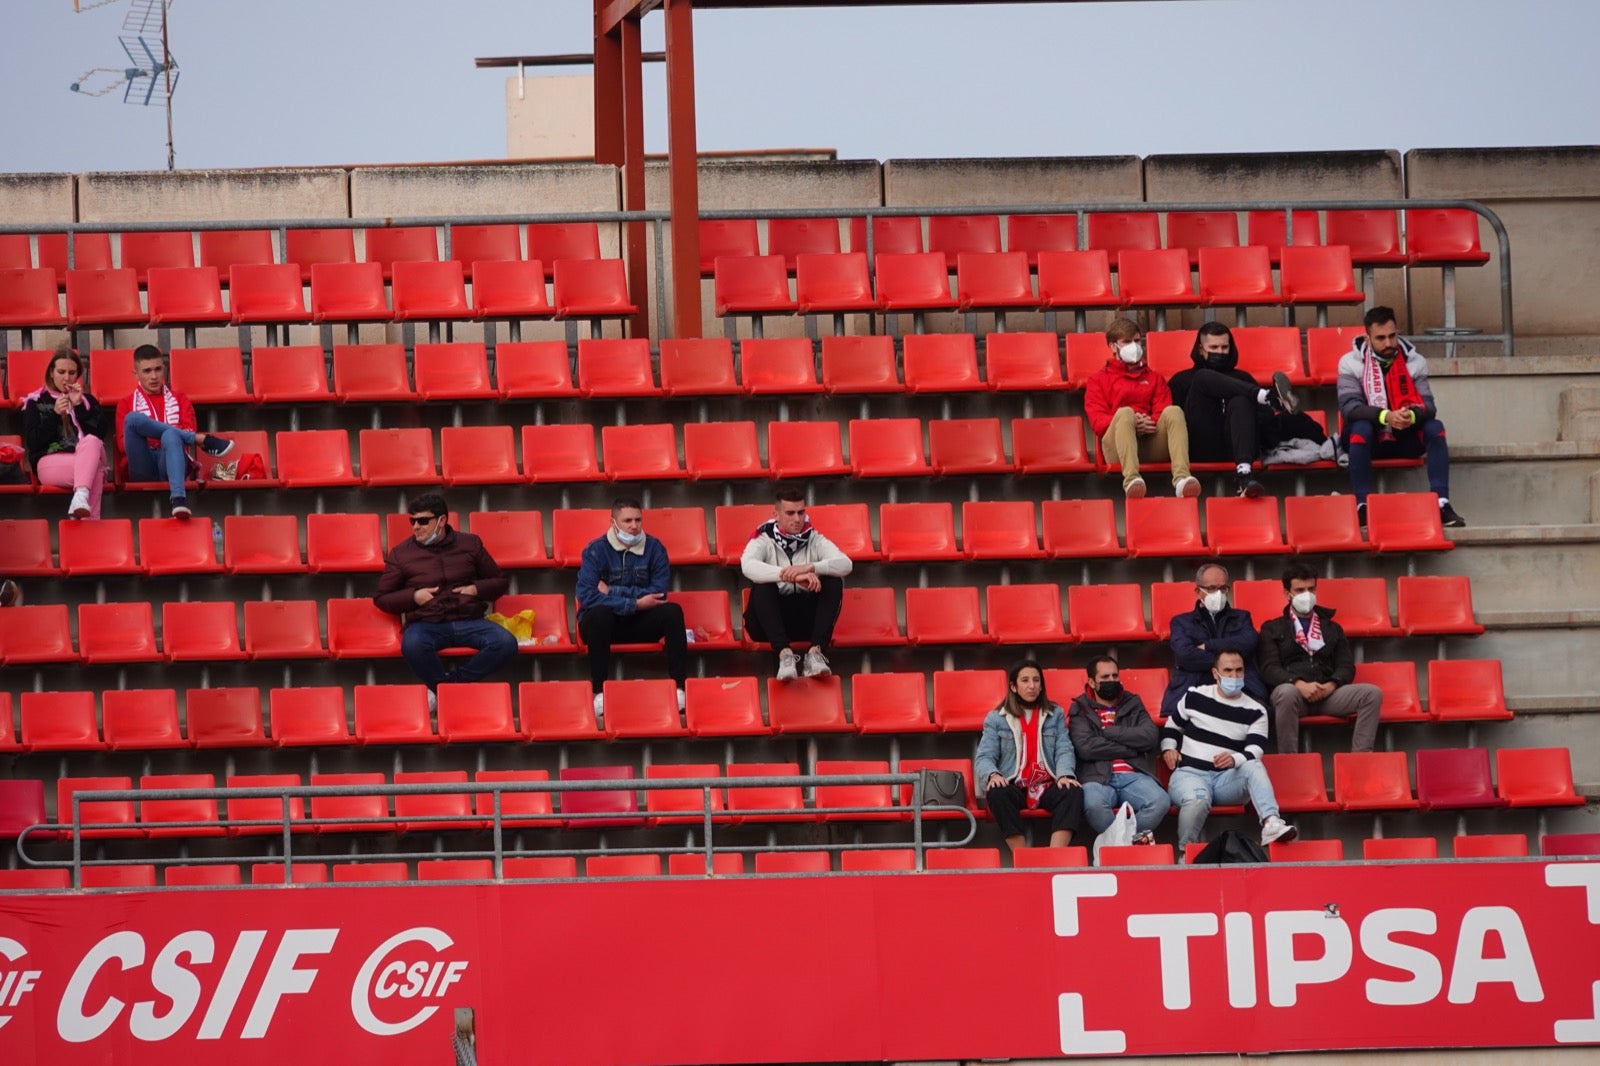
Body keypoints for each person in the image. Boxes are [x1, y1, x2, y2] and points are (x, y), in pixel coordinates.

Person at [373, 493, 517, 706]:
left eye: (423, 521)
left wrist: (476, 589)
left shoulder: (470, 544)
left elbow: (499, 582)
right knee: (412, 645)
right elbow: (382, 598)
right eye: (412, 521)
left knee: (506, 643)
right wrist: (413, 597)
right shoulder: (401, 553)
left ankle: (447, 690)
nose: (416, 527)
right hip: (427, 623)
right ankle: (449, 693)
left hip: (470, 620)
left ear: (442, 520)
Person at [1337, 305, 1464, 528]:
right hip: (1369, 440)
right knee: (1360, 427)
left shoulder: (1414, 361)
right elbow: (1350, 408)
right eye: (1381, 338)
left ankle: (1441, 503)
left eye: (1392, 336)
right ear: (1367, 339)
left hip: (1405, 436)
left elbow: (1428, 406)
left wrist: (1411, 416)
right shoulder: (1350, 363)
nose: (1388, 343)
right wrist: (1386, 416)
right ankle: (1362, 506)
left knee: (1435, 427)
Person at [1162, 650, 1298, 851]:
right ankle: (1186, 852)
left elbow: (1255, 749)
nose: (1234, 676)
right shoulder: (1194, 696)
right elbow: (1172, 727)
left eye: (1239, 670)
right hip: (1189, 775)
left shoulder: (1257, 710)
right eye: (1228, 670)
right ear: (1216, 673)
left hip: (1226, 780)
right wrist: (1168, 749)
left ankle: (1271, 823)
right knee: (1198, 798)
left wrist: (1234, 760)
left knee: (1254, 766)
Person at [576, 496, 687, 717]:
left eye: (638, 520)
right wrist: (635, 602)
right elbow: (587, 596)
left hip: (639, 621)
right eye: (627, 520)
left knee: (672, 612)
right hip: (603, 625)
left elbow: (658, 592)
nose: (634, 526)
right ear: (613, 522)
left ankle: (679, 688)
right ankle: (599, 692)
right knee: (599, 614)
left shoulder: (655, 548)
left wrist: (612, 592)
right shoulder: (595, 550)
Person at [1166, 323, 1306, 497]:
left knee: (1241, 400)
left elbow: (1265, 420)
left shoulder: (1243, 378)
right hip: (1200, 445)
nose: (1220, 352)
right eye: (1214, 347)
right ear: (1201, 350)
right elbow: (1172, 422)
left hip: (1239, 447)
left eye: (1225, 347)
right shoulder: (1182, 380)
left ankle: (1245, 475)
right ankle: (1268, 397)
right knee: (1202, 378)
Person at [1258, 562, 1383, 755]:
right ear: (1287, 593)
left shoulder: (1332, 628)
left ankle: (1362, 758)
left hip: (1327, 694)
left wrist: (1331, 685)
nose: (1306, 595)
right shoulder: (1272, 628)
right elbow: (1269, 668)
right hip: (1294, 696)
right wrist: (1298, 684)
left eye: (1310, 589)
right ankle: (1289, 761)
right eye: (1299, 590)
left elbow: (1346, 666)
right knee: (1286, 692)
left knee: (1371, 694)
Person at [740, 485, 853, 680]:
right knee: (762, 584)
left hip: (804, 622)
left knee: (833, 581)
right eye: (790, 513)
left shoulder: (814, 538)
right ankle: (784, 654)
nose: (797, 519)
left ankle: (815, 654)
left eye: (801, 512)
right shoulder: (763, 538)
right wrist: (788, 575)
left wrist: (809, 568)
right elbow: (747, 566)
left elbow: (846, 564)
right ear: (776, 514)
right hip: (767, 625)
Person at [975, 660, 1085, 853]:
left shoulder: (1055, 713)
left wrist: (1065, 775)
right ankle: (1023, 856)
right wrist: (993, 775)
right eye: (1025, 680)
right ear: (1013, 686)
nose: (1032, 685)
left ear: (1042, 686)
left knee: (1072, 791)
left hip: (1047, 783)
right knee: (997, 793)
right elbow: (984, 756)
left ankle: (1055, 857)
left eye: (1036, 680)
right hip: (1014, 784)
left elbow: (1064, 748)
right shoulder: (996, 718)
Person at [1083, 316, 1199, 499]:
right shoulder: (1098, 380)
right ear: (1113, 346)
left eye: (1137, 341)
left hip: (1150, 442)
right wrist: (1132, 421)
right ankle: (1131, 480)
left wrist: (1147, 422)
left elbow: (1163, 409)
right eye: (1127, 342)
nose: (1134, 346)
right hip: (1117, 448)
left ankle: (1182, 479)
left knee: (1174, 412)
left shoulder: (1154, 378)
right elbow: (1097, 422)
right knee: (1125, 413)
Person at [113, 344, 234, 518]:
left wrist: (155, 433)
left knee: (171, 435)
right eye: (147, 371)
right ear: (136, 374)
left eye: (157, 369)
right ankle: (200, 440)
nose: (154, 376)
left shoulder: (180, 399)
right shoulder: (126, 403)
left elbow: (182, 435)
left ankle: (178, 500)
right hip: (142, 464)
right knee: (133, 419)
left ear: (164, 369)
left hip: (172, 461)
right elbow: (124, 446)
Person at [1068, 655, 1168, 844]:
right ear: (1091, 681)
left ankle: (1120, 844)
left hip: (1134, 774)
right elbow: (1087, 748)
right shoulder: (1080, 708)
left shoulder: (1133, 702)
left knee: (1160, 801)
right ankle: (1127, 845)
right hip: (1097, 777)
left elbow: (1149, 737)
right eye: (1105, 677)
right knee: (1093, 805)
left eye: (1115, 676)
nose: (1111, 681)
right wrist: (1130, 748)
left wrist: (1109, 732)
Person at [1160, 563, 1266, 721]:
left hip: (1242, 687)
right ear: (1198, 591)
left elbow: (1249, 643)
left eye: (1222, 588)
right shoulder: (1181, 622)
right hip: (1196, 686)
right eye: (1211, 588)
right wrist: (1229, 658)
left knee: (1260, 713)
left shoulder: (1242, 617)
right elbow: (1185, 656)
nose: (1218, 593)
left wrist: (1209, 646)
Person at [20, 346, 110, 519]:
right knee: (95, 470)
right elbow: (33, 442)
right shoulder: (35, 401)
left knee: (92, 446)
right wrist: (54, 415)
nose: (66, 378)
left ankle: (80, 497)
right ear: (51, 372)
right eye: (61, 372)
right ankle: (89, 529)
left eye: (71, 372)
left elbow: (100, 435)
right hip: (50, 461)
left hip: (84, 460)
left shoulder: (87, 400)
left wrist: (79, 407)